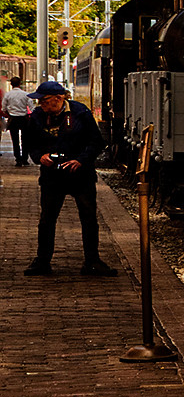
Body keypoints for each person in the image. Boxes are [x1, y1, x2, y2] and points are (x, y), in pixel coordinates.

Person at [22, 81, 113, 276]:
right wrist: (40, 157)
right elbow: (30, 143)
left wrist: (81, 160)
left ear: (59, 99)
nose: (42, 106)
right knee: (47, 219)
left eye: (45, 101)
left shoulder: (81, 113)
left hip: (80, 175)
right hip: (52, 176)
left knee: (89, 218)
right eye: (40, 102)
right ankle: (42, 261)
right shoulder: (38, 116)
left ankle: (92, 261)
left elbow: (97, 142)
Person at [2, 77, 30, 166]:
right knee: (25, 139)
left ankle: (18, 159)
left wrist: (8, 112)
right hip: (24, 118)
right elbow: (31, 106)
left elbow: (3, 107)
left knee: (15, 139)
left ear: (11, 84)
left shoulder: (7, 95)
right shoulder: (25, 94)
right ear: (20, 83)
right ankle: (25, 158)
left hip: (13, 118)